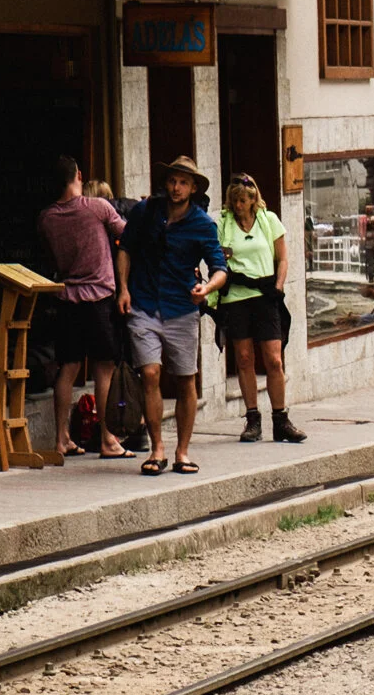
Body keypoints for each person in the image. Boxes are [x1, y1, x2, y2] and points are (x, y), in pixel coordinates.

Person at [117, 156, 228, 476]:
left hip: (182, 308)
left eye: (183, 182)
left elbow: (219, 268)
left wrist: (207, 289)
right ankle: (157, 449)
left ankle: (182, 451)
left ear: (193, 188)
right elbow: (125, 247)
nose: (177, 188)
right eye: (172, 181)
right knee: (150, 374)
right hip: (144, 304)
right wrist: (122, 288)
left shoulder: (203, 224)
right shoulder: (145, 211)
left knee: (185, 379)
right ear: (165, 184)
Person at [37, 156, 132, 460]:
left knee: (68, 368)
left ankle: (61, 439)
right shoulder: (98, 207)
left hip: (67, 300)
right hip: (100, 300)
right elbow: (128, 235)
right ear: (79, 175)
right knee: (104, 369)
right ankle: (108, 439)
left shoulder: (47, 218)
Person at [215, 173, 305, 445]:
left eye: (243, 200)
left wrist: (279, 286)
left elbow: (283, 258)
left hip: (265, 294)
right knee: (243, 357)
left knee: (274, 359)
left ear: (253, 200)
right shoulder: (223, 223)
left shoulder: (268, 220)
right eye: (235, 201)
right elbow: (218, 258)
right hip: (236, 297)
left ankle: (281, 418)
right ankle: (252, 418)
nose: (239, 205)